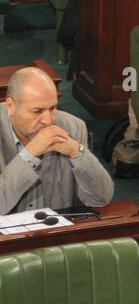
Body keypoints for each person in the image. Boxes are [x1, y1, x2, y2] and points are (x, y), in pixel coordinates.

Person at [0, 67, 114, 214]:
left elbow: (101, 199)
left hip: (58, 233)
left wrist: (77, 152)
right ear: (10, 106)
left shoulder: (74, 127)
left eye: (53, 108)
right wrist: (29, 154)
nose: (48, 120)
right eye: (37, 111)